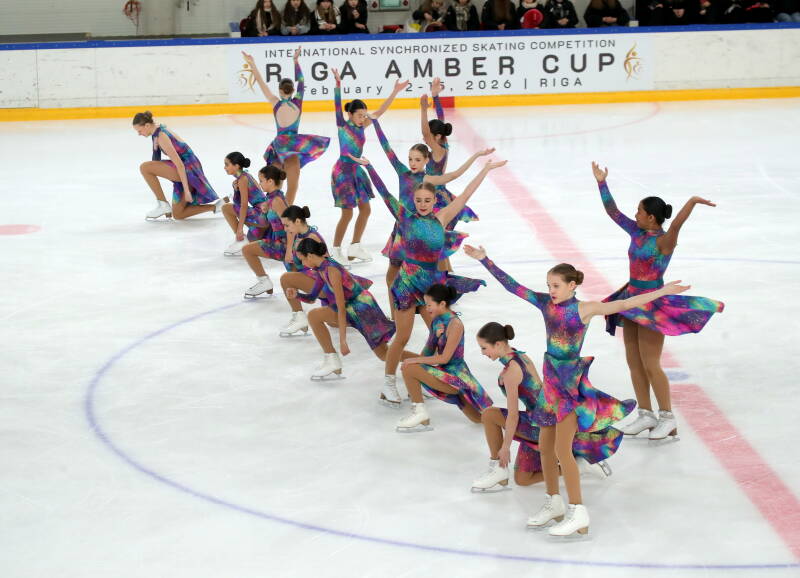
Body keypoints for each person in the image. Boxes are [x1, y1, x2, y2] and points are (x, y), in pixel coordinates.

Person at [466, 246, 691, 536]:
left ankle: (578, 511)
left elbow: (625, 305)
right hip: (550, 388)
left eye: (556, 285)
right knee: (546, 449)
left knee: (562, 449)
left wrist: (661, 292)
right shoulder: (546, 304)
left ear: (573, 286)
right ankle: (554, 502)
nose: (552, 290)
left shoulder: (585, 309)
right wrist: (485, 260)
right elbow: (513, 286)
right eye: (549, 285)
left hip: (569, 392)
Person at [591, 163, 724, 440]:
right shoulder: (636, 232)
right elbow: (612, 212)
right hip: (630, 300)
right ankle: (645, 414)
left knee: (651, 363)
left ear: (651, 217)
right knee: (634, 362)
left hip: (652, 304)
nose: (635, 214)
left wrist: (691, 202)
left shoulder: (664, 241)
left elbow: (676, 223)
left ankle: (667, 418)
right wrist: (602, 183)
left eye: (639, 211)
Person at [361, 158, 505, 408]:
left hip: (430, 290)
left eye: (427, 200)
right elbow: (384, 194)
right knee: (402, 337)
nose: (423, 204)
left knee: (437, 335)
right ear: (413, 201)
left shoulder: (443, 217)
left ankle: (423, 380)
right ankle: (389, 382)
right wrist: (370, 167)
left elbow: (467, 193)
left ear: (435, 201)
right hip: (407, 286)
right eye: (419, 200)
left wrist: (485, 169)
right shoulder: (405, 217)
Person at [471, 322, 618, 494]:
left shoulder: (512, 370)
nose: (482, 353)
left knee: (489, 415)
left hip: (541, 425)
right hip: (541, 420)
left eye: (484, 348)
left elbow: (513, 416)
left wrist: (504, 448)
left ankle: (498, 468)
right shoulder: (519, 356)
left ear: (498, 344)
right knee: (522, 479)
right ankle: (581, 466)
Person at [371, 115, 491, 315]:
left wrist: (476, 157)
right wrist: (376, 123)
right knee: (392, 274)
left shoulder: (428, 179)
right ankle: (395, 314)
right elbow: (387, 149)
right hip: (401, 231)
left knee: (426, 272)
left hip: (420, 232)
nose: (412, 163)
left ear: (426, 160)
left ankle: (434, 307)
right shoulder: (402, 172)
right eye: (410, 159)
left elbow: (453, 175)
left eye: (417, 159)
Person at [287, 238, 400, 380]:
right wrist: (297, 295)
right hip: (352, 307)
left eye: (302, 259)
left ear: (310, 255)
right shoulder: (321, 268)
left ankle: (418, 363)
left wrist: (343, 340)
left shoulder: (331, 270)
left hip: (363, 309)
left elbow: (341, 307)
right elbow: (312, 298)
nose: (302, 264)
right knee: (314, 316)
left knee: (384, 354)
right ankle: (331, 359)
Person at [329, 69, 409, 265]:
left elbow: (380, 111)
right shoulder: (342, 125)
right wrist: (338, 84)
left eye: (365, 115)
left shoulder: (362, 126)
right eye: (359, 115)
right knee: (347, 213)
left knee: (365, 210)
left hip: (357, 171)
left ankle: (355, 245)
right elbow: (337, 105)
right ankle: (336, 249)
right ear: (350, 114)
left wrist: (394, 92)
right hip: (343, 173)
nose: (363, 118)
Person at [397, 284, 493, 432]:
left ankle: (420, 413)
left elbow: (444, 358)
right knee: (478, 419)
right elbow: (426, 354)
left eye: (429, 305)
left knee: (409, 367)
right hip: (444, 374)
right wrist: (434, 339)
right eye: (425, 304)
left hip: (457, 378)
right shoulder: (437, 321)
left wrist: (414, 360)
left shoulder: (455, 325)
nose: (426, 308)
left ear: (442, 303)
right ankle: (422, 416)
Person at [242, 49, 330, 206]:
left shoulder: (275, 102)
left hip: (279, 146)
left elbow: (261, 83)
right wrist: (296, 61)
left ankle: (272, 210)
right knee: (293, 186)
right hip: (293, 146)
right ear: (293, 91)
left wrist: (252, 64)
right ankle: (286, 213)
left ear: (280, 91)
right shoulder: (298, 103)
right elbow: (302, 81)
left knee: (274, 183)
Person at [133, 111, 223, 221]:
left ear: (147, 125)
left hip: (189, 170)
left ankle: (163, 205)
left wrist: (187, 190)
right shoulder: (156, 132)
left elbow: (180, 164)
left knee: (145, 167)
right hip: (187, 167)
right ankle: (217, 206)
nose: (139, 134)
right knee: (178, 214)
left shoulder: (161, 136)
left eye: (139, 131)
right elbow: (156, 160)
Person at [420, 79, 480, 229]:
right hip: (434, 191)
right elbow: (441, 119)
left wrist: (423, 110)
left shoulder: (439, 150)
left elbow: (426, 134)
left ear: (438, 136)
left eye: (430, 135)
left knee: (435, 230)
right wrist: (435, 96)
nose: (425, 138)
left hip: (437, 196)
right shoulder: (443, 143)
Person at [278, 205, 328, 336]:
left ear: (298, 221)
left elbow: (328, 264)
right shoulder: (298, 234)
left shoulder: (312, 237)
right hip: (316, 280)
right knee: (334, 323)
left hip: (324, 283)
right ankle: (300, 318)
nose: (285, 229)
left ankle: (300, 319)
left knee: (286, 278)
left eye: (287, 225)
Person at [241, 166, 289, 298]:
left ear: (270, 182)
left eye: (261, 180)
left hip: (285, 246)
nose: (259, 184)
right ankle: (264, 282)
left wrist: (290, 251)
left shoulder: (277, 201)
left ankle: (264, 282)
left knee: (247, 250)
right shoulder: (273, 198)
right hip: (280, 243)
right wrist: (265, 210)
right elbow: (264, 223)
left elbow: (290, 227)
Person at [221, 152, 268, 256]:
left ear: (236, 166)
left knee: (225, 208)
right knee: (251, 241)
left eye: (227, 164)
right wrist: (236, 190)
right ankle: (249, 239)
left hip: (261, 216)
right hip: (265, 215)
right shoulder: (245, 176)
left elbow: (243, 206)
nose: (225, 167)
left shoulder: (243, 179)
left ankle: (241, 240)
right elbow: (239, 204)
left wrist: (239, 229)